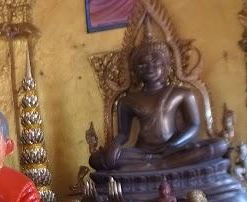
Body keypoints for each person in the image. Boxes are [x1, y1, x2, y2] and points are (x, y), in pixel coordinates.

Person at [89, 26, 228, 171]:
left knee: (219, 145)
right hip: (143, 152)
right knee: (96, 159)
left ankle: (158, 165)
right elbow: (123, 133)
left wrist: (173, 145)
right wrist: (114, 146)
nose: (150, 68)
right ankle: (158, 165)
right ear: (135, 71)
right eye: (143, 65)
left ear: (166, 66)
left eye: (155, 63)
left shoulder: (182, 93)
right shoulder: (127, 100)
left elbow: (193, 125)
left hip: (174, 149)